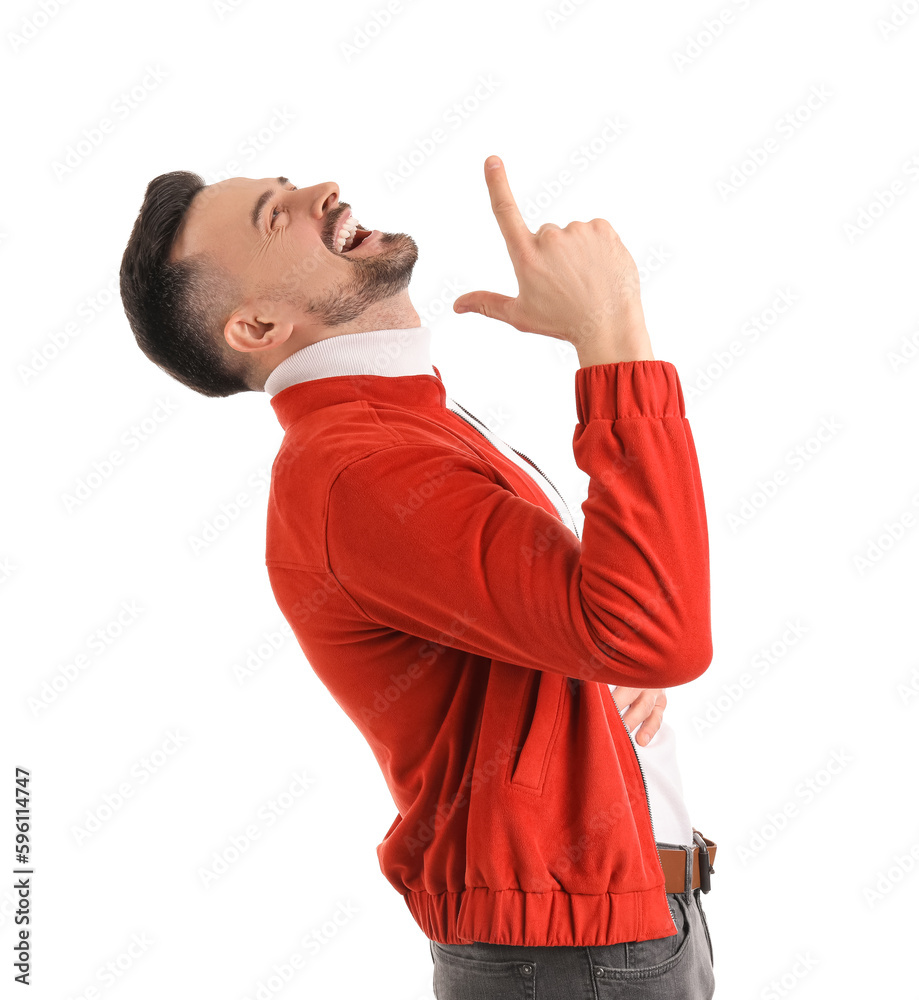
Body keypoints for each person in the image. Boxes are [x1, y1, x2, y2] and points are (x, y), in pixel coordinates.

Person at [119, 154, 717, 997]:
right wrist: (611, 330)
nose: (316, 189)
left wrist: (608, 661)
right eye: (272, 215)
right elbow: (655, 631)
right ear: (255, 329)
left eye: (286, 185)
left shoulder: (401, 426)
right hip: (575, 961)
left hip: (615, 932)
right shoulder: (356, 469)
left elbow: (619, 627)